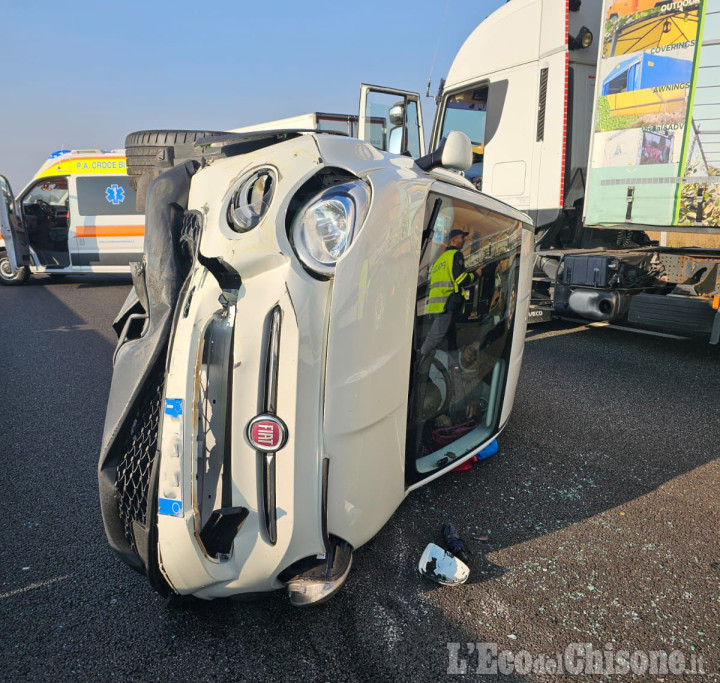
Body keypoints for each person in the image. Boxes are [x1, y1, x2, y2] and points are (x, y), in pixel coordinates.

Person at [420, 229, 482, 359]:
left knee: (451, 336)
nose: (464, 240)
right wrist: (475, 274)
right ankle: (419, 360)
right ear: (453, 240)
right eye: (461, 238)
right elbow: (459, 280)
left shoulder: (440, 259)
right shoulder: (456, 255)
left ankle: (452, 361)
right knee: (434, 338)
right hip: (447, 304)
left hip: (436, 305)